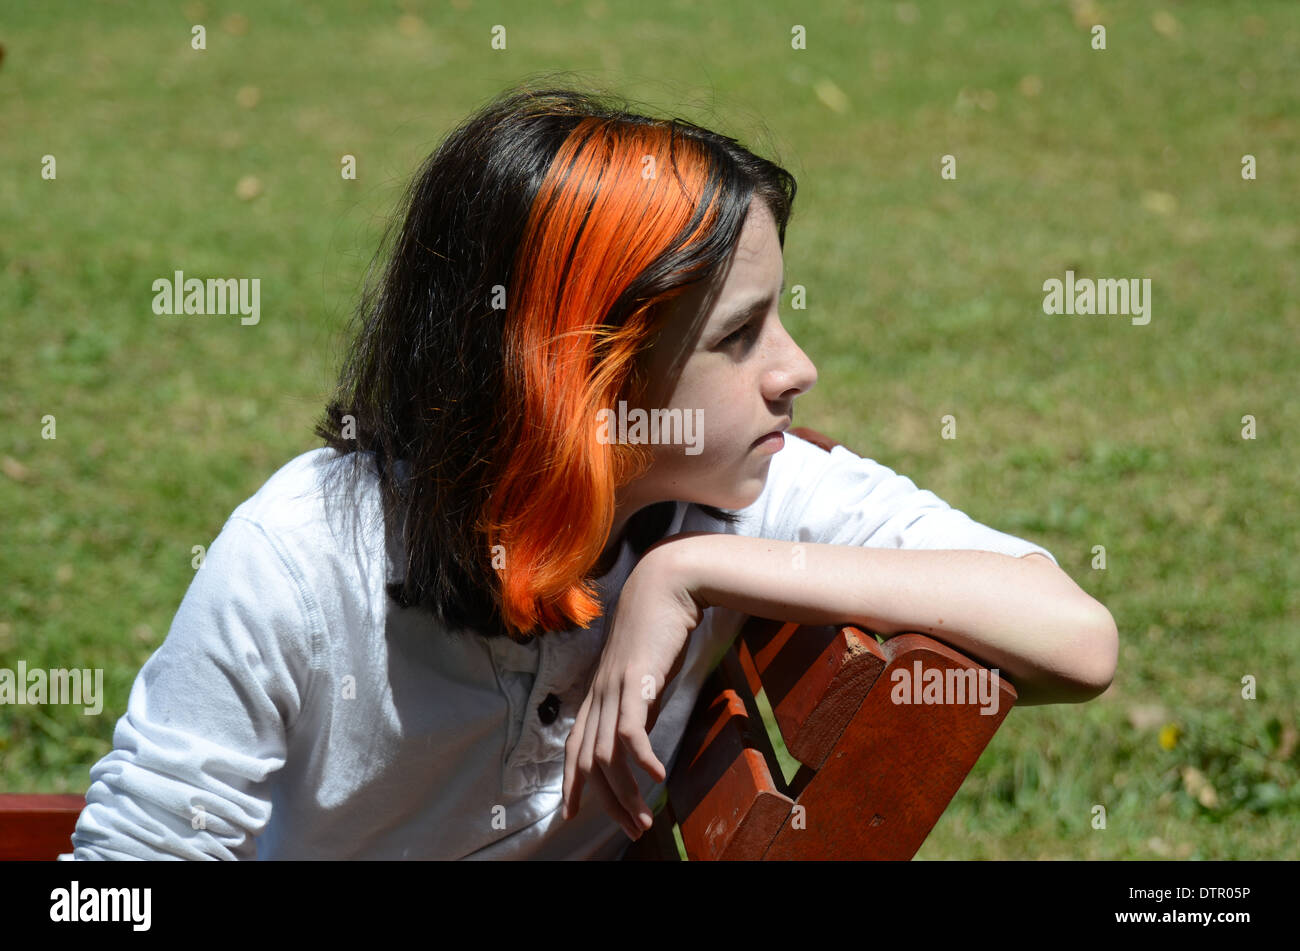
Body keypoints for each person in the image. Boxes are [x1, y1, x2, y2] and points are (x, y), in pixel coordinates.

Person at [70, 82, 1117, 860]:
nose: (798, 369)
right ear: (585, 379)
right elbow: (133, 860)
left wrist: (688, 577)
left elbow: (1075, 640)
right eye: (742, 334)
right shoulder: (301, 558)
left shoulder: (736, 501)